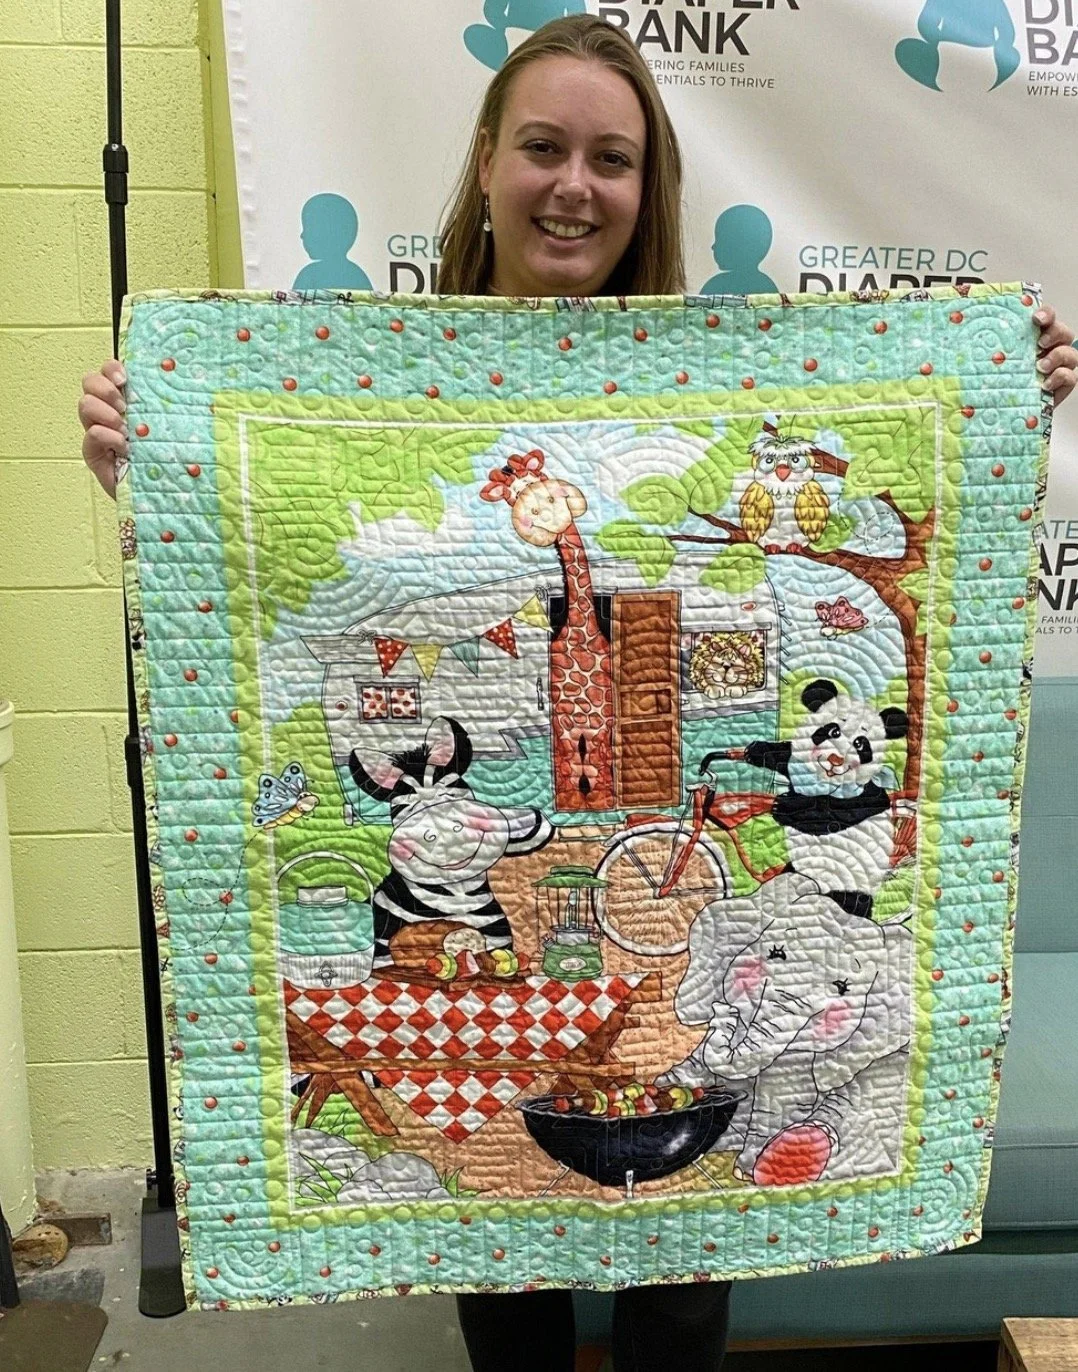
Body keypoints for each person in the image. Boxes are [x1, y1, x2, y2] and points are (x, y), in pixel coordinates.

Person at [76, 15, 1078, 1371]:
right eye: (544, 147)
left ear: (646, 189)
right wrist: (158, 470)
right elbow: (270, 571)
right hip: (542, 914)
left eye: (612, 159)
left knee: (685, 1262)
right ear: (487, 162)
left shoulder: (723, 385)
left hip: (663, 936)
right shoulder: (378, 387)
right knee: (501, 1245)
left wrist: (1007, 394)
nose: (574, 185)